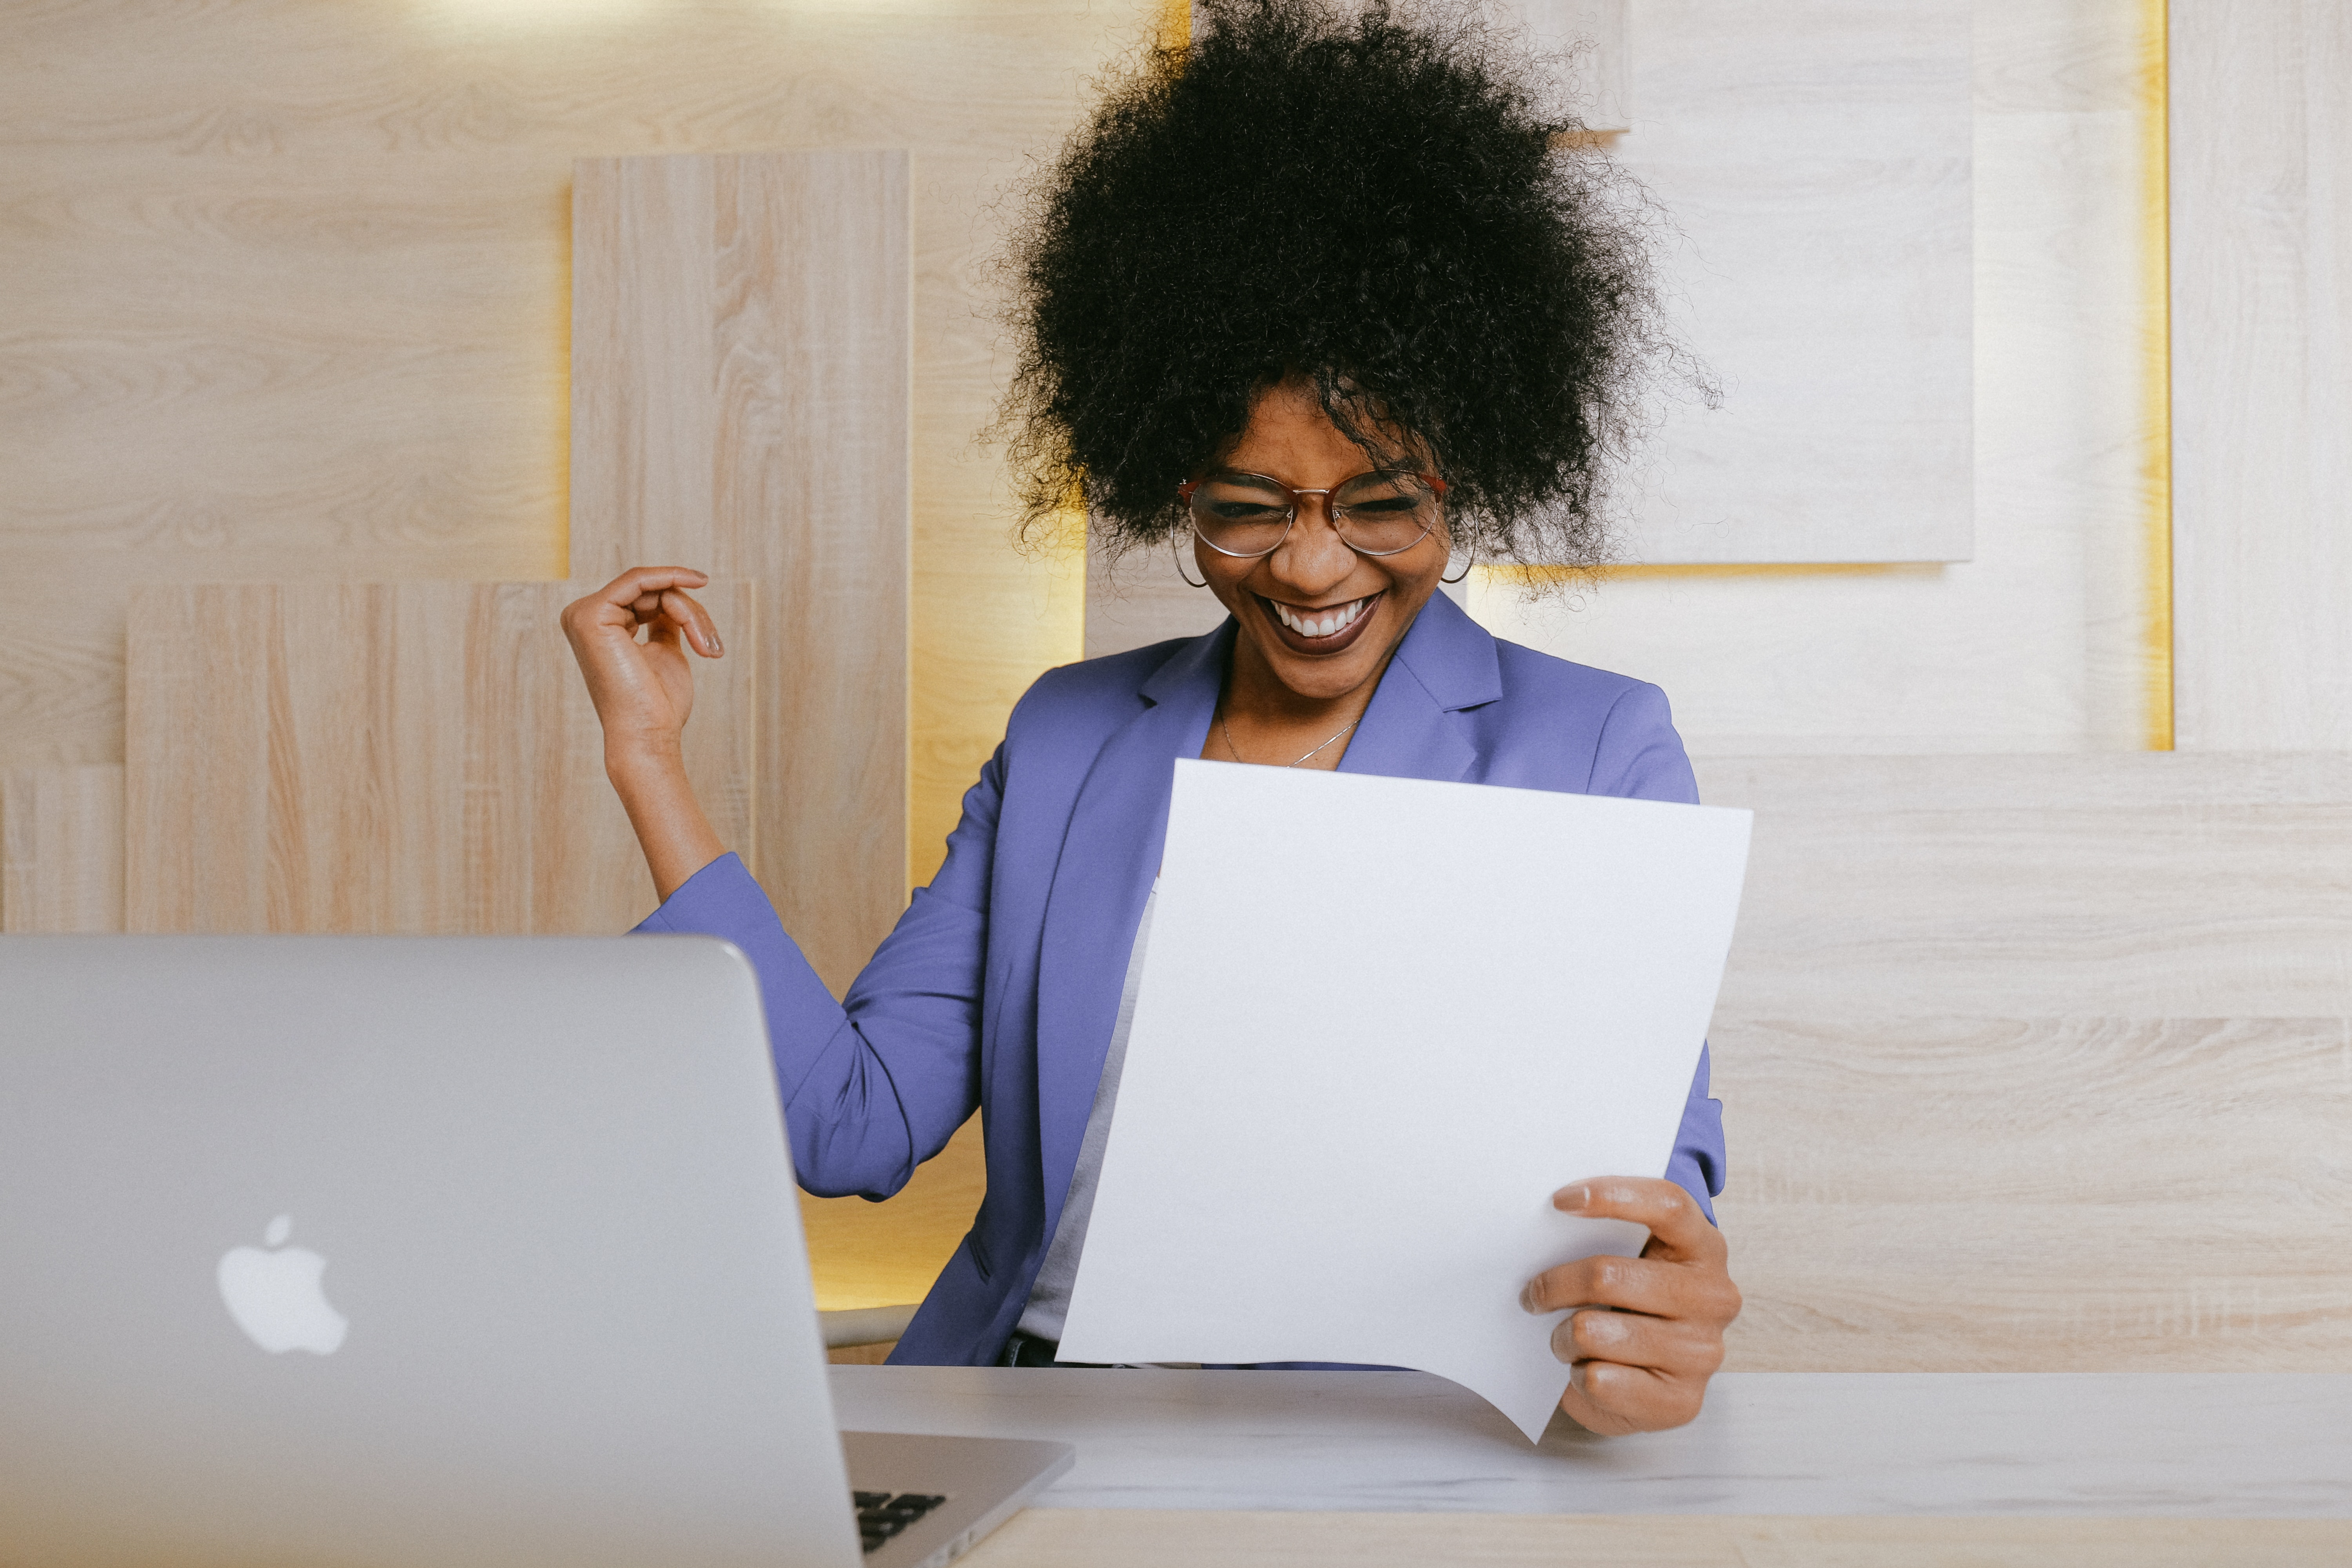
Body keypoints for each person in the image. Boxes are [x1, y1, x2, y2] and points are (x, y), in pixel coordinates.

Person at [562, 0, 1739, 1436]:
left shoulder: (1595, 750)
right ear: (1169, 482)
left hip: (1373, 1447)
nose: (1311, 566)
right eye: (1250, 508)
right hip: (1023, 1421)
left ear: (1465, 481)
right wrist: (649, 761)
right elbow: (850, 1129)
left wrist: (1658, 1299)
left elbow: (1652, 1159)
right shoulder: (1069, 737)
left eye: (1381, 503)